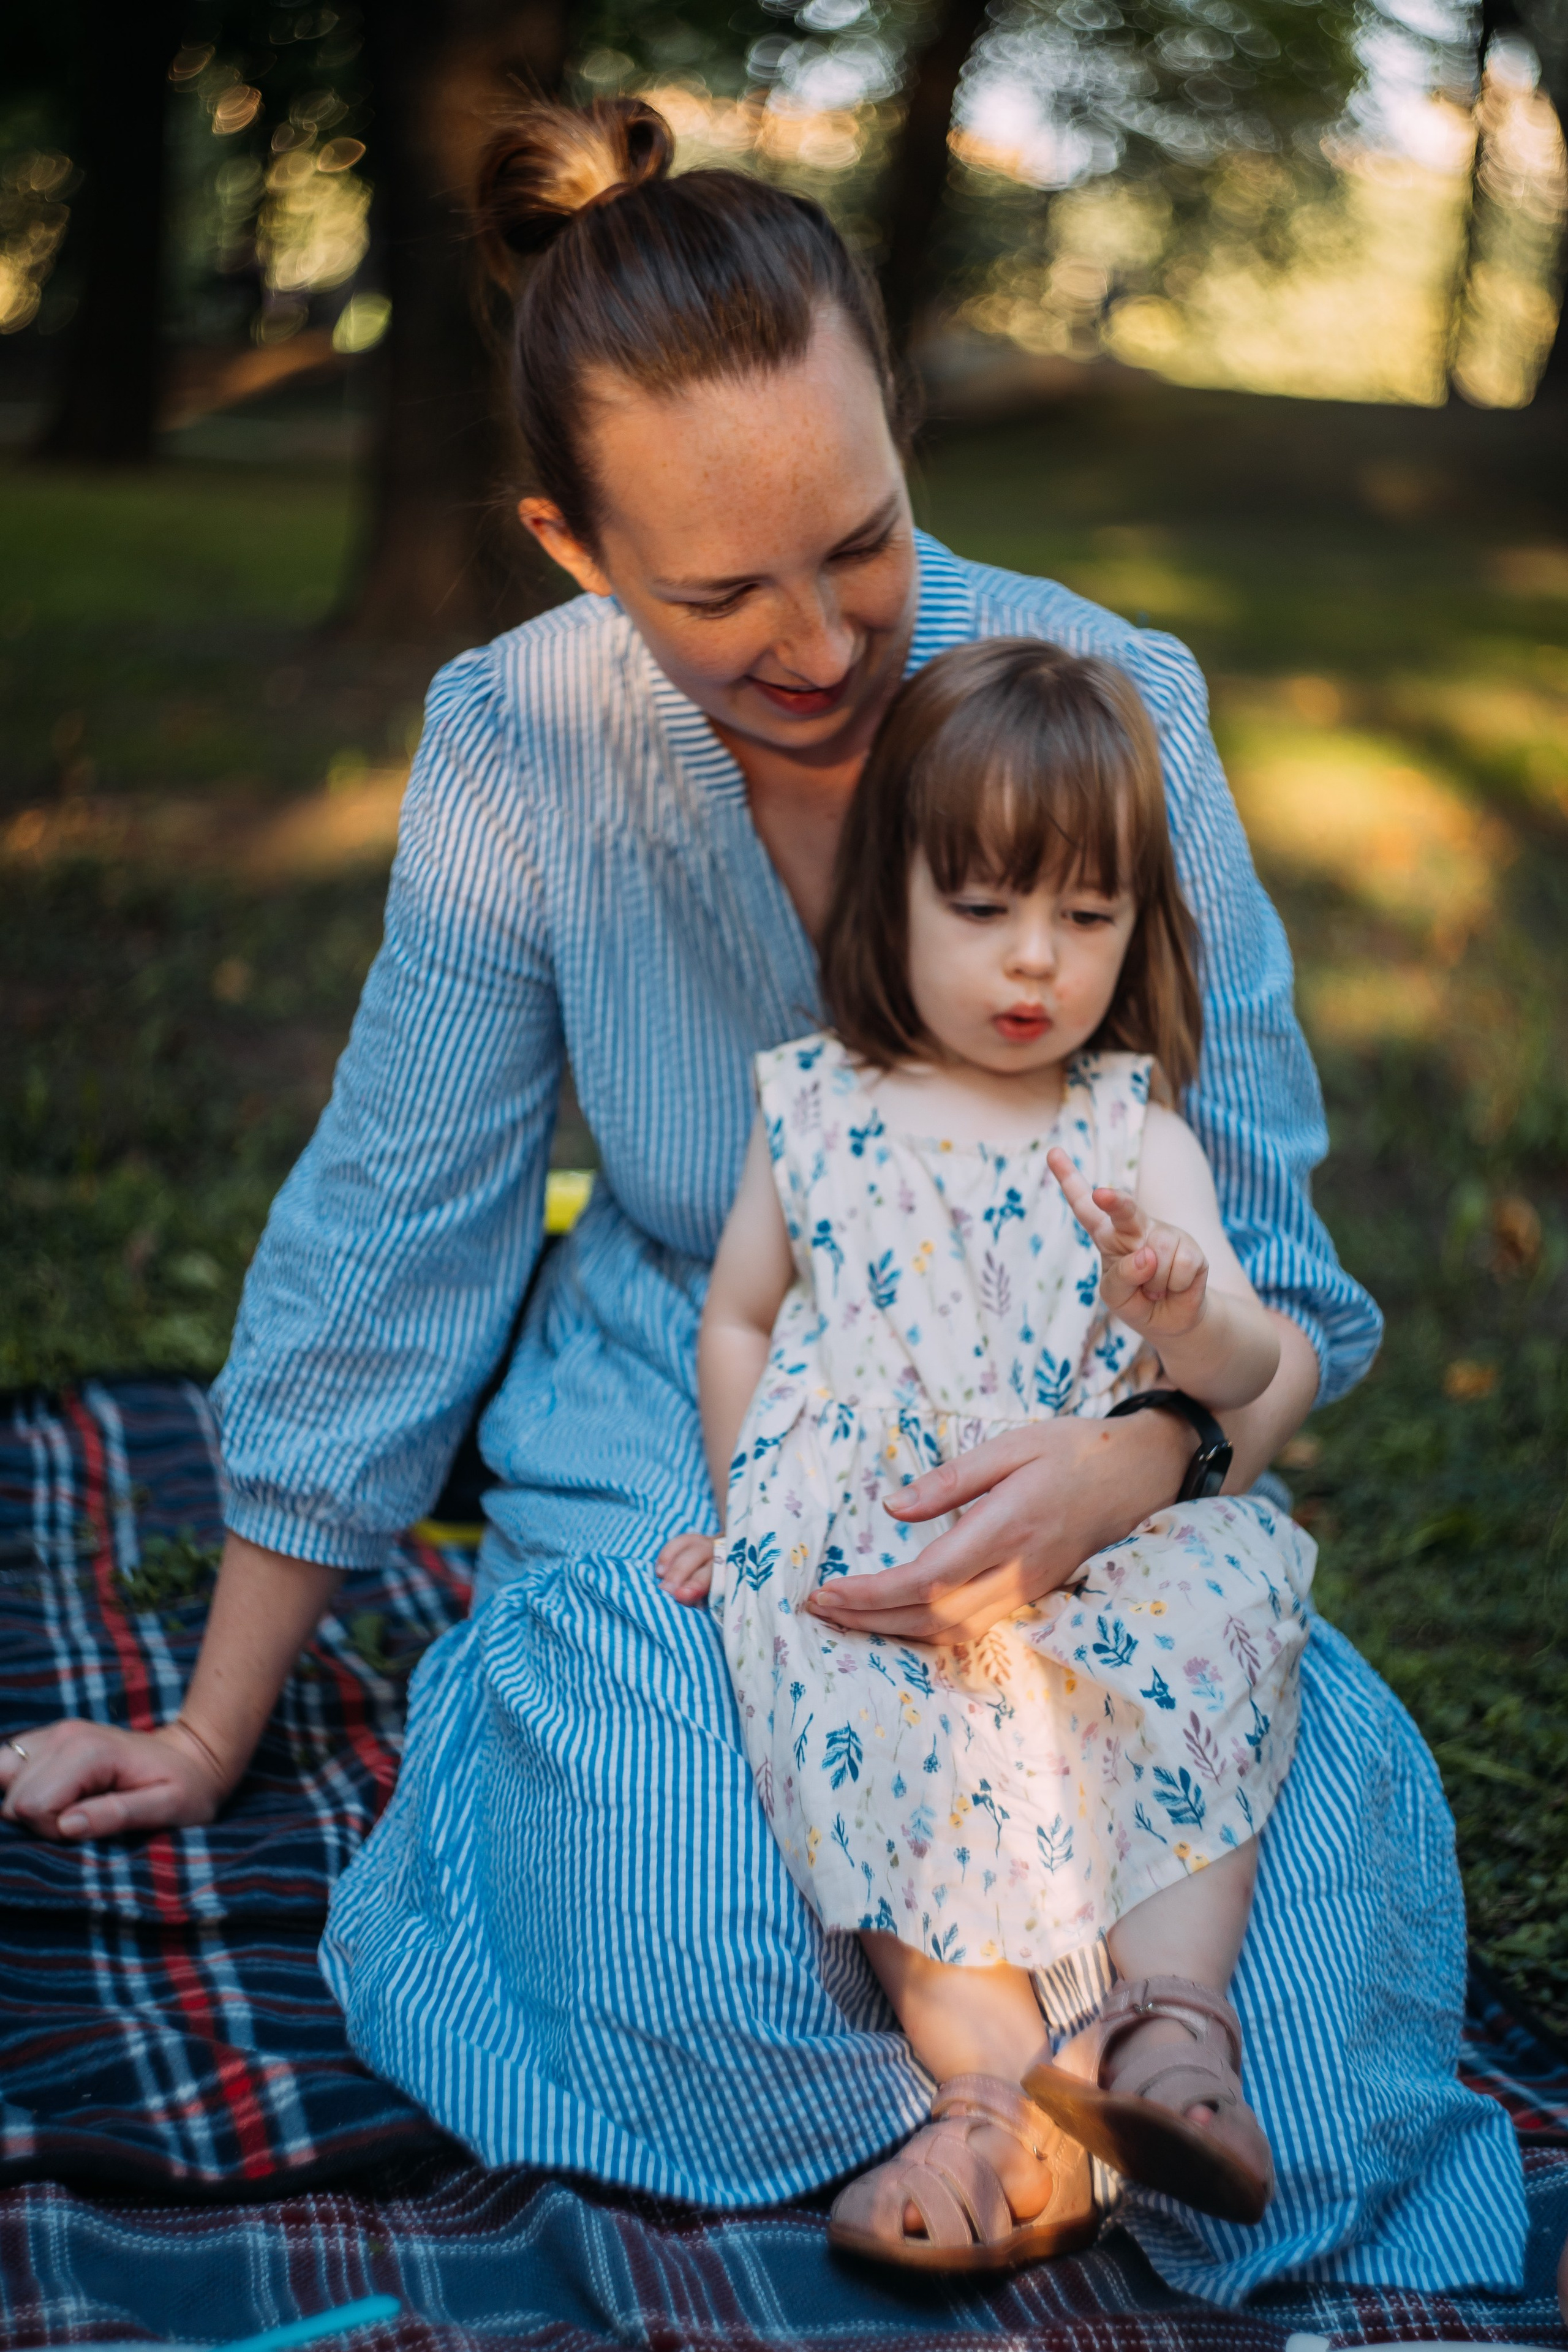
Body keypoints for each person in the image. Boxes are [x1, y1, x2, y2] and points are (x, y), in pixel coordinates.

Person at [0, 94, 1525, 2302]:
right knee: (663, 1900)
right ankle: (1007, 2101)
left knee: (1307, 1963)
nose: (821, 646)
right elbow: (395, 1232)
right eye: (720, 592)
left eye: (864, 545)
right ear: (573, 544)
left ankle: (1095, 2083)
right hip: (688, 1448)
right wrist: (219, 1722)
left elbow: (1270, 1270)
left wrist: (1140, 1457)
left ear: (901, 436)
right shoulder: (521, 743)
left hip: (1091, 1461)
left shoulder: (1122, 712)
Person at [657, 639, 1314, 2266]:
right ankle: (990, 2099)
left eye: (1086, 919)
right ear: (888, 898)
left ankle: (1171, 2031)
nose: (1037, 961)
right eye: (984, 907)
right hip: (883, 1527)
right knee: (859, 1706)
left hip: (1094, 1520)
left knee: (1218, 1613)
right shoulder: (817, 1106)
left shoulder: (1131, 1128)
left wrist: (1178, 1313)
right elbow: (740, 1320)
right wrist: (747, 1511)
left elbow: (1242, 1359)